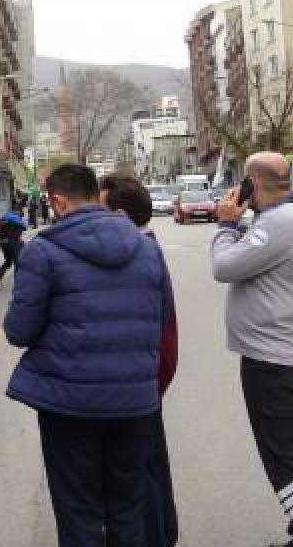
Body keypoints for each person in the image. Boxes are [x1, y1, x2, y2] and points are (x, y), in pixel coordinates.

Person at [4, 164, 171, 547]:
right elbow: (160, 321)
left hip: (70, 406)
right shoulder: (147, 247)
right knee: (128, 507)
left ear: (59, 202)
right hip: (135, 402)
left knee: (78, 511)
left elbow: (20, 331)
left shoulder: (42, 251)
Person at [211, 152, 293, 547]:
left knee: (287, 458)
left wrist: (226, 224)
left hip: (278, 361)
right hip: (289, 356)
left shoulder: (282, 222)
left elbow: (224, 266)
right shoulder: (288, 216)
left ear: (251, 183)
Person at [101, 175, 179, 547]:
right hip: (145, 383)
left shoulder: (139, 254)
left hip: (141, 384)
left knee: (141, 473)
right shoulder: (147, 249)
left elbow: (164, 331)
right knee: (149, 467)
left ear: (118, 214)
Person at [0, 200, 27, 287]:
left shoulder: (3, 219)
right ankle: (18, 282)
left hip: (3, 243)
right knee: (17, 262)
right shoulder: (17, 222)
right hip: (12, 243)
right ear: (18, 211)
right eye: (20, 212)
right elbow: (19, 233)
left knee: (8, 261)